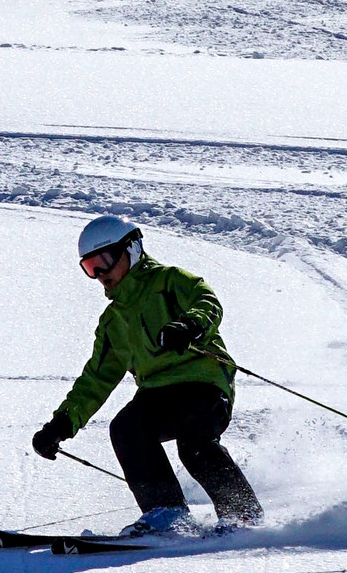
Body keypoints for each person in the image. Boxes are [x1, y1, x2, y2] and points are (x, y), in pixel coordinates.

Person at [31, 215, 262, 538]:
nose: (100, 274)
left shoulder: (169, 282)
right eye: (90, 267)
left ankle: (243, 516)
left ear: (133, 249)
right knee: (127, 428)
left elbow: (206, 301)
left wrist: (189, 325)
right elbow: (96, 379)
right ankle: (166, 512)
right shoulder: (114, 321)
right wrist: (61, 424)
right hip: (156, 393)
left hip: (203, 383)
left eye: (104, 261)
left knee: (194, 442)